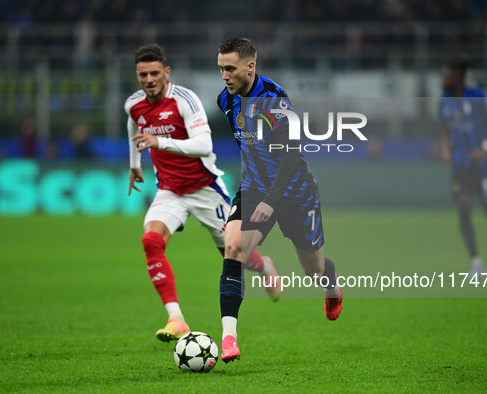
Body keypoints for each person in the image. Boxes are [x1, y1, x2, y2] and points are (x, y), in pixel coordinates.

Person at [126, 44, 280, 343]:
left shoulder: (185, 100)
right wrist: (135, 165)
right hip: (169, 190)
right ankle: (176, 319)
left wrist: (159, 143)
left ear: (166, 73)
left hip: (205, 188)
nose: (148, 80)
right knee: (151, 241)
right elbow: (134, 125)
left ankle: (264, 266)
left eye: (154, 73)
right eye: (142, 74)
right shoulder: (134, 104)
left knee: (234, 254)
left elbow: (204, 146)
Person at [216, 37, 343, 363]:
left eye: (231, 69)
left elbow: (290, 155)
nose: (225, 76)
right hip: (254, 188)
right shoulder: (225, 101)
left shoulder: (274, 100)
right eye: (221, 69)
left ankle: (330, 283)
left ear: (250, 67)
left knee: (312, 269)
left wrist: (272, 200)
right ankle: (228, 338)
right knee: (232, 247)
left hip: (294, 193)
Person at [439, 60, 487, 277]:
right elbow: (445, 130)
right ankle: (478, 265)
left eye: (445, 75)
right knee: (464, 212)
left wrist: (486, 146)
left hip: (483, 165)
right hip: (460, 167)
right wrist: (445, 149)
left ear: (458, 76)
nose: (442, 79)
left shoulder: (478, 96)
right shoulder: (444, 102)